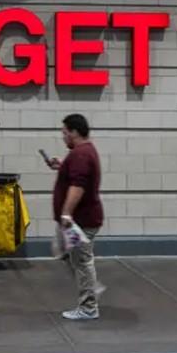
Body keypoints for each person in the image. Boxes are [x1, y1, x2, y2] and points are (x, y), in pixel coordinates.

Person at [45, 114, 104, 321]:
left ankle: (89, 307)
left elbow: (78, 186)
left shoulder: (80, 154)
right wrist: (61, 166)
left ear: (74, 132)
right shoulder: (83, 152)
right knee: (63, 253)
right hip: (77, 221)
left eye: (64, 133)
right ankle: (90, 285)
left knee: (82, 261)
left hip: (80, 221)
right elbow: (77, 176)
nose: (63, 137)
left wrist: (66, 213)